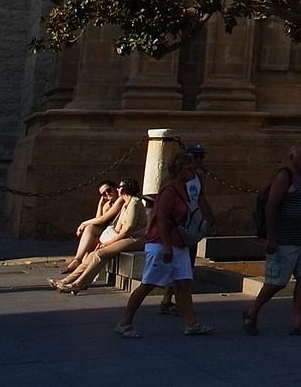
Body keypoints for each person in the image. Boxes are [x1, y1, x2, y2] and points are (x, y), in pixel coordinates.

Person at [112, 152, 213, 337]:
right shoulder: (169, 191)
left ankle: (191, 323)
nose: (193, 171)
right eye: (189, 168)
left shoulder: (183, 188)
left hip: (179, 244)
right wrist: (166, 247)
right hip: (162, 244)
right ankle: (124, 322)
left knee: (183, 283)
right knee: (148, 284)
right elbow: (162, 220)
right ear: (180, 170)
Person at [244, 142, 301, 335]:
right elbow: (271, 206)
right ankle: (252, 310)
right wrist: (272, 238)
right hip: (285, 239)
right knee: (276, 281)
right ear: (292, 157)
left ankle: (298, 320)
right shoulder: (285, 176)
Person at [54, 180, 145, 292]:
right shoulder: (126, 204)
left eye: (119, 187)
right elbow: (114, 227)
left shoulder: (134, 203)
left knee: (100, 254)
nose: (117, 189)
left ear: (126, 188)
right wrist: (100, 205)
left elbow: (127, 230)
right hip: (123, 237)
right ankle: (67, 280)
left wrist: (107, 243)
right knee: (93, 254)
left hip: (135, 239)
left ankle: (79, 283)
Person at [159, 143, 216, 314]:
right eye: (195, 157)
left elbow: (201, 199)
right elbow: (162, 212)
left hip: (190, 226)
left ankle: (172, 302)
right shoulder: (172, 183)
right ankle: (173, 302)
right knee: (177, 270)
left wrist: (211, 220)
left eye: (201, 157)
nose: (199, 160)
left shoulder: (198, 178)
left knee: (185, 267)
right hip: (177, 227)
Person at [60, 183, 120, 277]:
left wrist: (83, 223)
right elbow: (99, 222)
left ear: (115, 188)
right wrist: (100, 205)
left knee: (90, 231)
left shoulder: (120, 201)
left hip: (118, 233)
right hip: (108, 232)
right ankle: (80, 275)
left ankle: (78, 268)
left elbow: (102, 219)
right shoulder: (108, 204)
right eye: (104, 194)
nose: (107, 194)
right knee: (89, 243)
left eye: (109, 190)